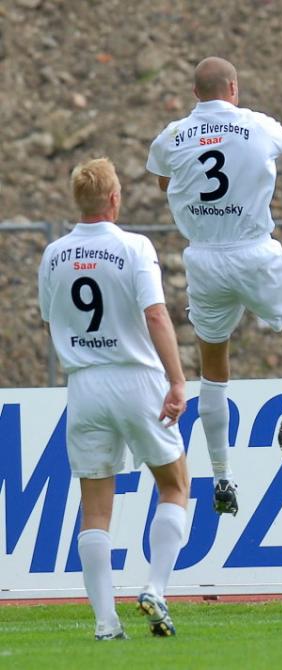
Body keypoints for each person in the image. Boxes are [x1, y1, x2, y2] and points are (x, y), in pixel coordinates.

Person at [146, 57, 282, 516]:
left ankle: (223, 478)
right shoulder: (255, 124)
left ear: (195, 93)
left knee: (213, 369)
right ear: (233, 87)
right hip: (253, 250)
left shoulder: (171, 135)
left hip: (203, 257)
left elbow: (165, 180)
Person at [38, 158, 189, 639]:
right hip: (135, 376)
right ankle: (156, 588)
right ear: (114, 198)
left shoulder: (53, 254)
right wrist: (178, 380)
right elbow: (156, 315)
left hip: (84, 383)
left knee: (95, 508)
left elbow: (51, 316)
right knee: (174, 485)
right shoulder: (133, 247)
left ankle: (105, 623)